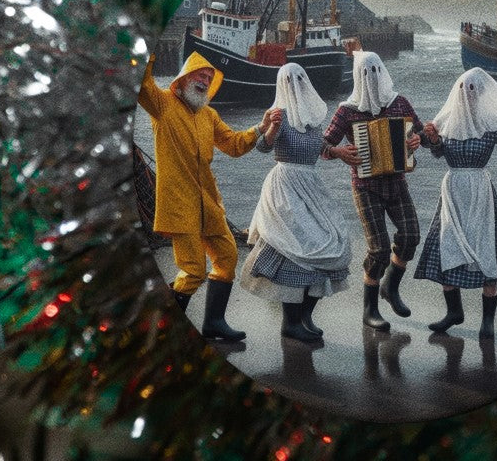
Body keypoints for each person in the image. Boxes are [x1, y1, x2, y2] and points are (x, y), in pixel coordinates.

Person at [138, 51, 277, 341]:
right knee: (193, 270)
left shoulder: (209, 115)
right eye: (200, 74)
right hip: (178, 203)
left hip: (209, 203)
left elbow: (234, 145)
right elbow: (142, 84)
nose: (204, 80)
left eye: (209, 78)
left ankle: (213, 323)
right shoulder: (162, 104)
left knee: (227, 256)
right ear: (185, 76)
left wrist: (261, 127)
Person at [240, 63, 351, 342]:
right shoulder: (278, 114)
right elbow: (263, 148)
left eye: (300, 77)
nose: (295, 83)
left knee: (332, 242)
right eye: (289, 79)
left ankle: (305, 316)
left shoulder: (314, 116)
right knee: (295, 249)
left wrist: (336, 151)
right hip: (285, 186)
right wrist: (272, 128)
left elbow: (319, 146)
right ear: (281, 84)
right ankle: (290, 323)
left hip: (311, 185)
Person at [414, 68, 497, 338]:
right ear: (457, 91)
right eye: (465, 90)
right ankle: (454, 311)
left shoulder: (490, 122)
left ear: (482, 94)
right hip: (452, 189)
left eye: (474, 91)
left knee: (485, 246)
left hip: (480, 191)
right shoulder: (446, 121)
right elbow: (437, 151)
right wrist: (432, 139)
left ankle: (487, 322)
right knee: (448, 244)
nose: (469, 96)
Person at [322, 51, 424, 332]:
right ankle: (370, 308)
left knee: (412, 236)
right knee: (378, 248)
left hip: (397, 182)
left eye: (376, 71)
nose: (372, 78)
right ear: (357, 76)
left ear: (383, 71)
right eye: (366, 73)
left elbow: (423, 133)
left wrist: (416, 140)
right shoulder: (347, 110)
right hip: (365, 186)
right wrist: (339, 152)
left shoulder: (399, 102)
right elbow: (323, 145)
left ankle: (391, 285)